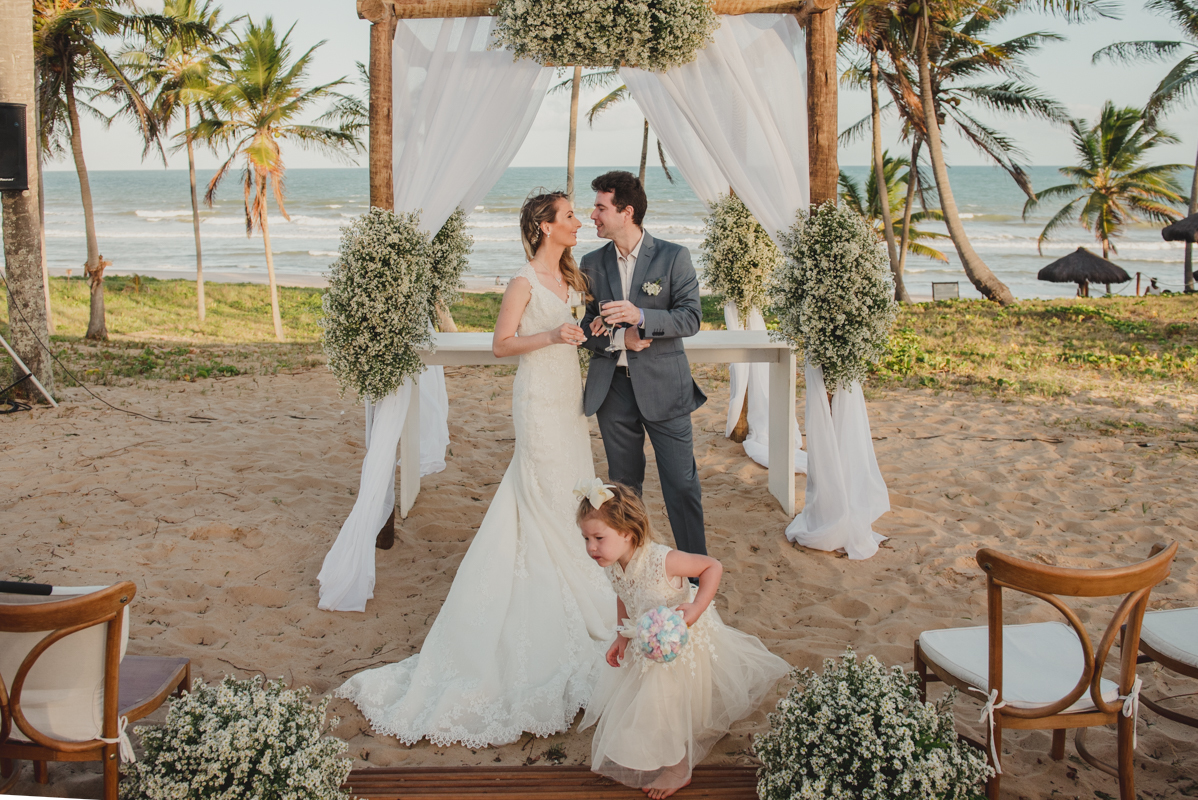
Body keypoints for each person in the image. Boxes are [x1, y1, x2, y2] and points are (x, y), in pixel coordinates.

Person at [336, 191, 616, 748]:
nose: (578, 220)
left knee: (574, 490)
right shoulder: (523, 282)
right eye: (568, 216)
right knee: (541, 492)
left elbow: (575, 330)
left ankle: (579, 571)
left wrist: (587, 331)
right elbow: (501, 345)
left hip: (567, 396)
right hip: (537, 397)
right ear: (543, 225)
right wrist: (553, 335)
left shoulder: (574, 277)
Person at [576, 481, 791, 799]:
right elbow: (624, 595)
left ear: (628, 533)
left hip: (680, 643)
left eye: (599, 538)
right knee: (651, 701)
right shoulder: (614, 565)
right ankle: (662, 749)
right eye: (586, 539)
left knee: (667, 702)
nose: (591, 548)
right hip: (648, 643)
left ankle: (678, 767)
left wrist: (695, 608)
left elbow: (711, 567)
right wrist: (622, 636)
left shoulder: (663, 560)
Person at [580, 171, 708, 561]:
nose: (593, 216)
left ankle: (693, 569)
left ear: (627, 212)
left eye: (601, 208)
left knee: (681, 485)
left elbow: (690, 318)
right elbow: (588, 327)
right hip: (612, 390)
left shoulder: (673, 256)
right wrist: (618, 337)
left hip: (665, 388)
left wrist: (641, 315)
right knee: (624, 489)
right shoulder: (592, 262)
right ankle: (631, 569)